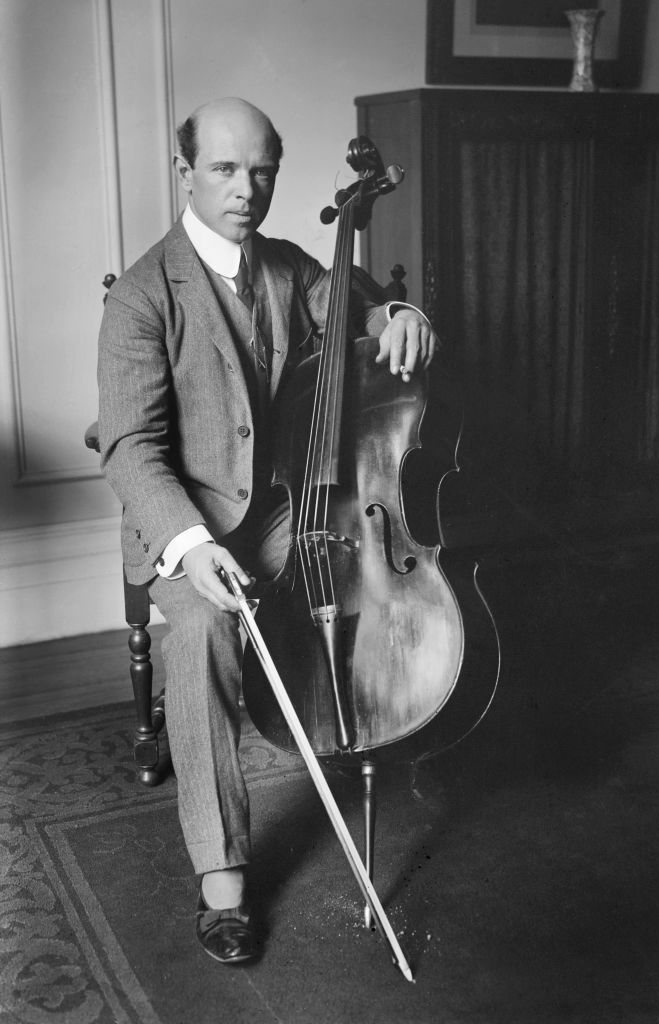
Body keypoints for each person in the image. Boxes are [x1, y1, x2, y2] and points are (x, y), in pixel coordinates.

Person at [97, 97, 439, 965]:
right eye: (223, 169)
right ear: (185, 173)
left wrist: (397, 318)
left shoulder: (285, 267)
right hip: (187, 526)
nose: (245, 189)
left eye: (261, 172)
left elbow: (354, 307)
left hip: (281, 515)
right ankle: (223, 883)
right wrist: (189, 545)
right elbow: (130, 446)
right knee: (205, 630)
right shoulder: (143, 294)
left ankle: (364, 719)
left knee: (357, 569)